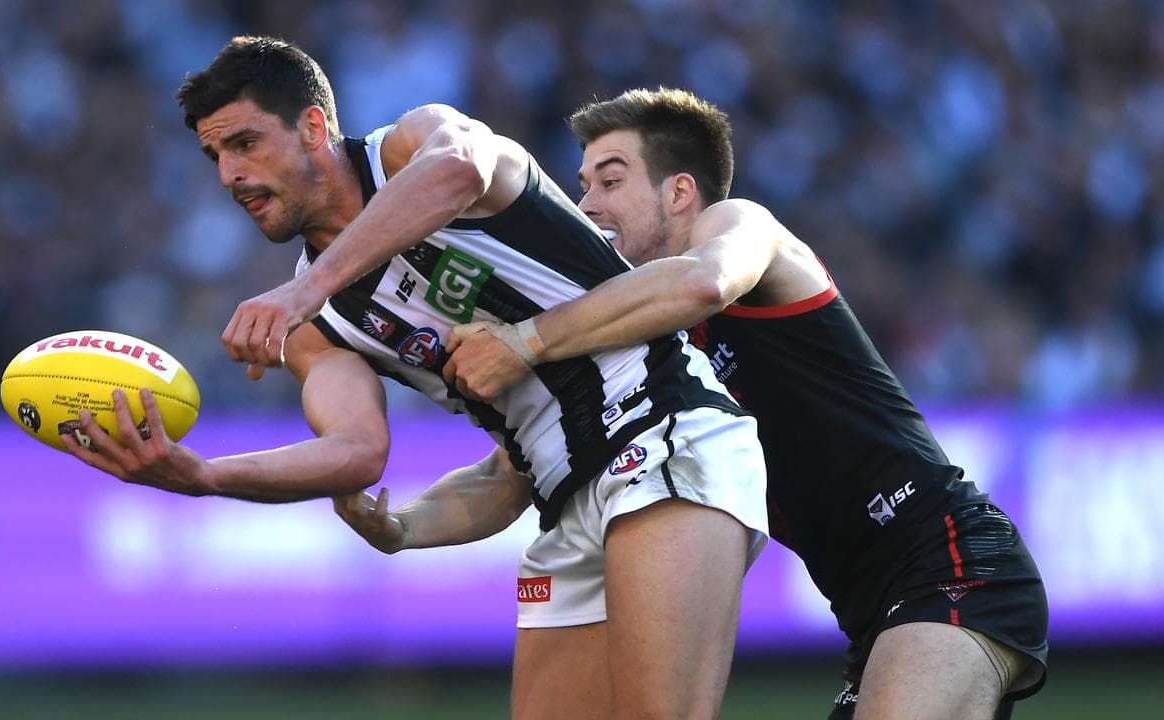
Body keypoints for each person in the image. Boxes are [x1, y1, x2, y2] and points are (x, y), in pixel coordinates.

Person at [61, 38, 769, 720]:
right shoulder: (316, 327)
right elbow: (356, 452)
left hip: (663, 428)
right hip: (561, 499)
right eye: (215, 155)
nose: (230, 175)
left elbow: (461, 168)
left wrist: (306, 292)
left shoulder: (410, 148)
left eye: (245, 143)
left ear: (314, 127)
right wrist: (205, 476)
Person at [340, 88, 1049, 720]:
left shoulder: (744, 228)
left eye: (610, 180)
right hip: (870, 612)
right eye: (581, 184)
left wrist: (525, 340)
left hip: (953, 561)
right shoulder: (618, 336)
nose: (585, 205)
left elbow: (706, 284)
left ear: (680, 194)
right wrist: (403, 527)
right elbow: (513, 473)